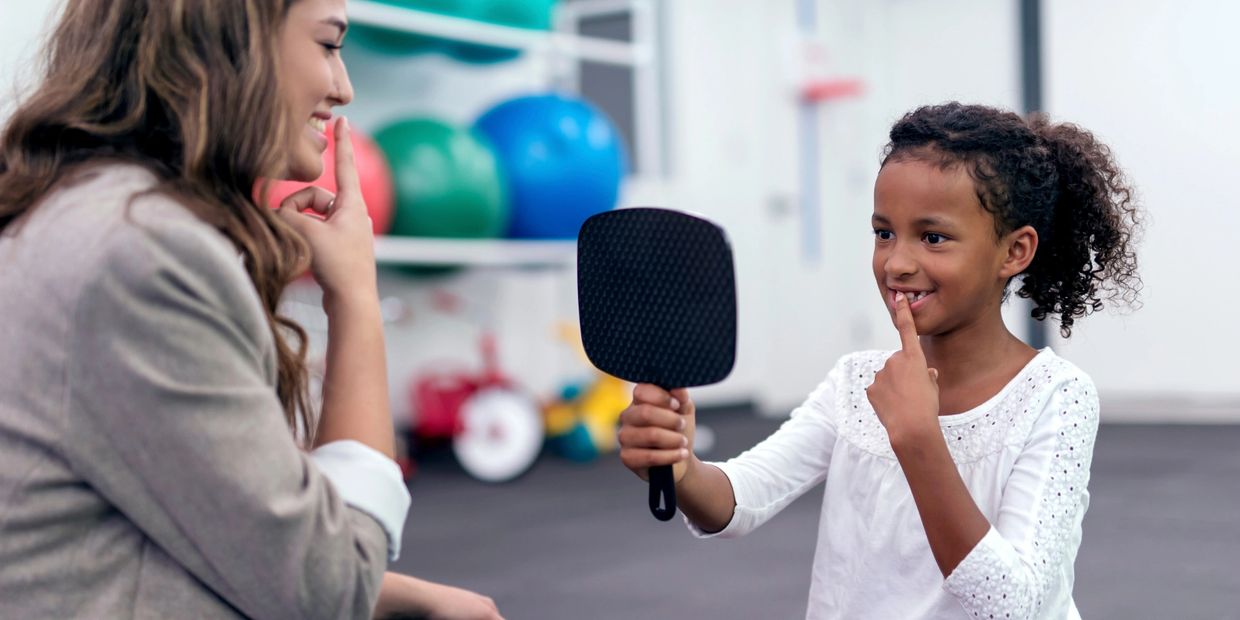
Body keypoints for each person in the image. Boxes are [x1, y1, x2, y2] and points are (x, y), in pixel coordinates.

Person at [0, 1, 500, 618]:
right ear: (232, 41)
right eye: (328, 45)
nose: (343, 89)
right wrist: (355, 296)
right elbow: (327, 589)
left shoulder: (85, 213)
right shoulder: (145, 253)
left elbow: (201, 532)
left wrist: (400, 595)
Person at [617, 102, 1141, 619]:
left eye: (933, 238)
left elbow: (1013, 605)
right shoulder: (857, 382)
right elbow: (740, 497)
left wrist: (918, 438)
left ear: (1014, 252)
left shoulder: (1055, 395)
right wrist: (679, 466)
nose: (897, 262)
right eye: (884, 232)